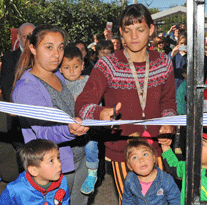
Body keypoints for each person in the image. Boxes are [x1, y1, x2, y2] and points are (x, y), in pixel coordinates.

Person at [75, 4, 177, 204]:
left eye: (140, 30)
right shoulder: (108, 65)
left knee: (160, 200)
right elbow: (82, 104)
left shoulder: (163, 62)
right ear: (120, 33)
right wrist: (100, 113)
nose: (134, 36)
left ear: (151, 29)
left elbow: (169, 101)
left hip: (156, 147)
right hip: (123, 150)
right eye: (128, 31)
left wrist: (169, 123)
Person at [12, 24, 90, 205]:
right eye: (49, 47)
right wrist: (70, 130)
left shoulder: (59, 74)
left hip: (81, 157)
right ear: (32, 48)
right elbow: (43, 133)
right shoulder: (27, 87)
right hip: (57, 167)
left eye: (60, 47)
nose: (57, 54)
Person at [0, 23, 35, 184]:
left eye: (32, 35)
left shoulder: (43, 58)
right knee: (23, 157)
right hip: (18, 119)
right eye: (26, 36)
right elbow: (8, 87)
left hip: (40, 118)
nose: (29, 39)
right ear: (19, 37)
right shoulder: (8, 59)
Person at [58, 45, 97, 195]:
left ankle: (92, 173)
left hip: (88, 125)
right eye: (66, 68)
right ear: (60, 69)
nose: (72, 71)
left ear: (82, 65)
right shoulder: (60, 84)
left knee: (91, 146)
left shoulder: (88, 81)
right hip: (68, 127)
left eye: (75, 66)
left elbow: (96, 102)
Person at [161, 133, 207, 203]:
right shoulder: (189, 166)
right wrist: (165, 145)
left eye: (202, 144)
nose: (194, 145)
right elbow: (173, 167)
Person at [0, 139, 70, 205]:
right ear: (34, 170)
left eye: (58, 158)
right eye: (51, 161)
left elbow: (65, 201)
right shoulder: (15, 190)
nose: (59, 164)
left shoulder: (62, 182)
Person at [122, 139, 180, 204]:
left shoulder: (166, 180)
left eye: (145, 154)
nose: (141, 160)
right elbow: (127, 200)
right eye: (135, 157)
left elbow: (176, 200)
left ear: (154, 158)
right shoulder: (130, 180)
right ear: (130, 166)